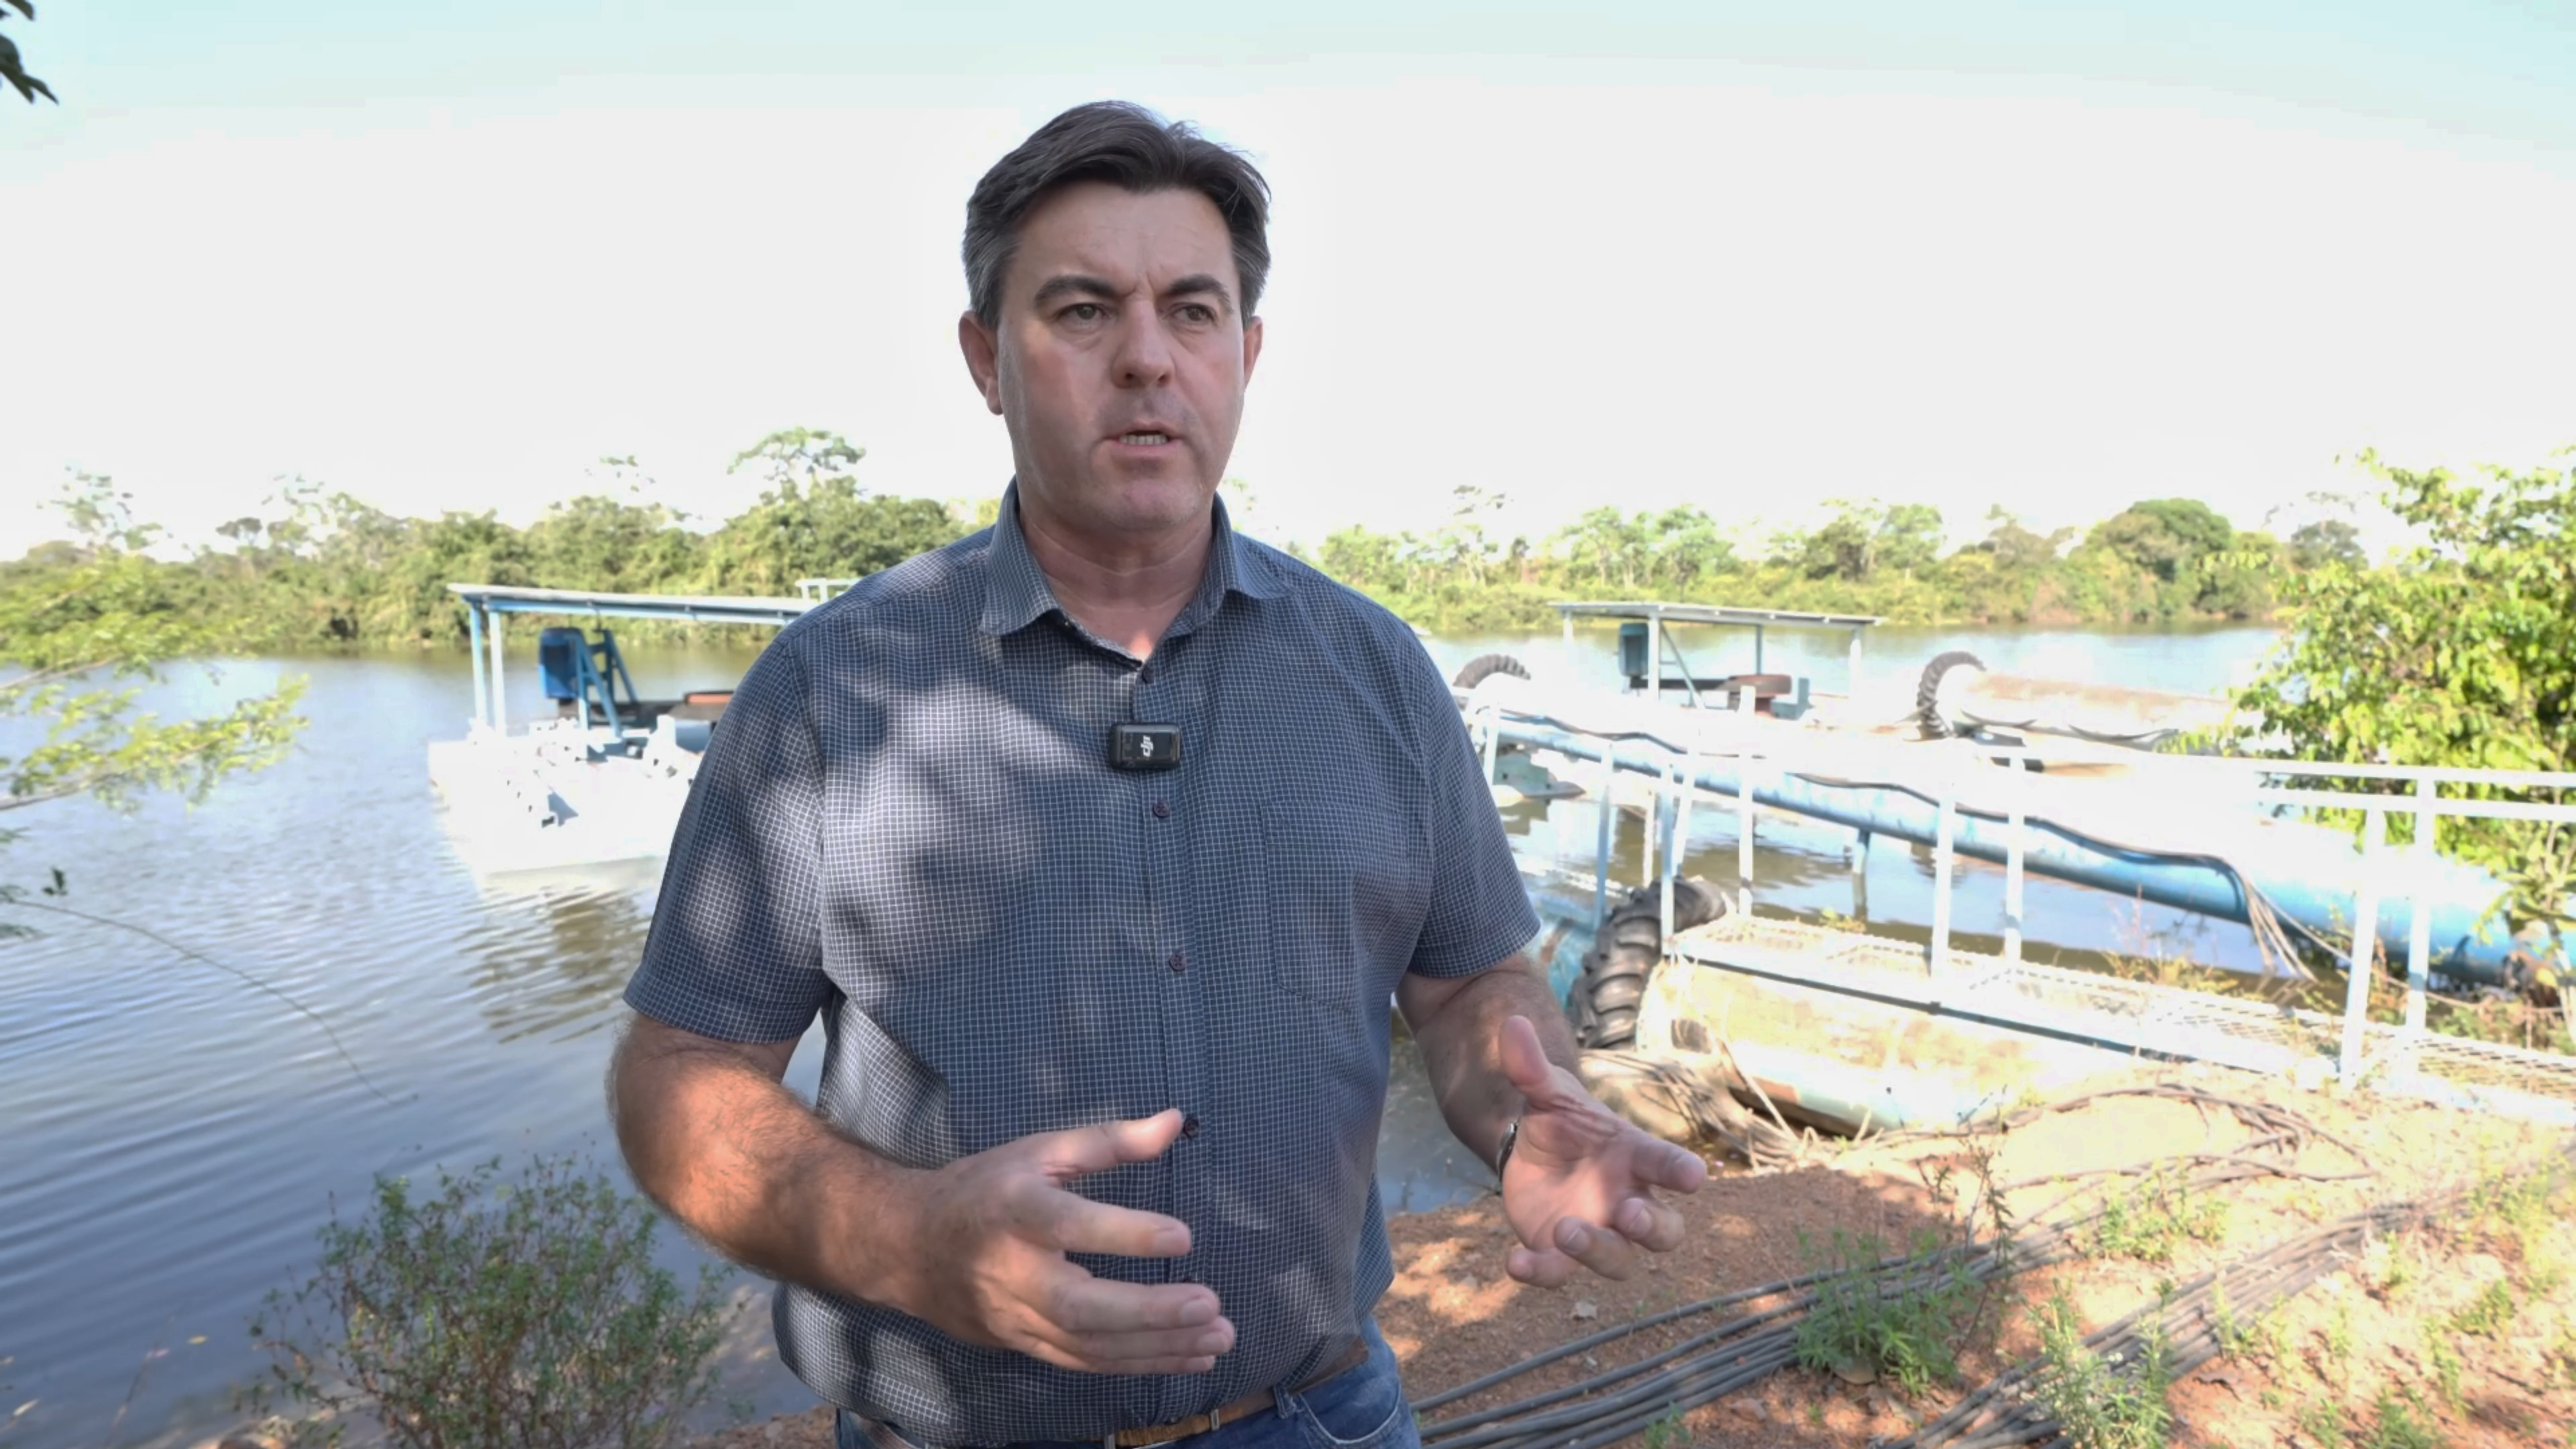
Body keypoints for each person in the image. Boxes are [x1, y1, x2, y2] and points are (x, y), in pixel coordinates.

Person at [608, 101, 1705, 1449]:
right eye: (1080, 311)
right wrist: (911, 1241)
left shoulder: (1375, 672)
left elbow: (1472, 977)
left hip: (1320, 1414)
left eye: (1192, 311)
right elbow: (675, 1075)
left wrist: (1528, 1108)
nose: (1145, 359)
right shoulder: (833, 692)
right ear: (985, 359)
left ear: (1245, 353)